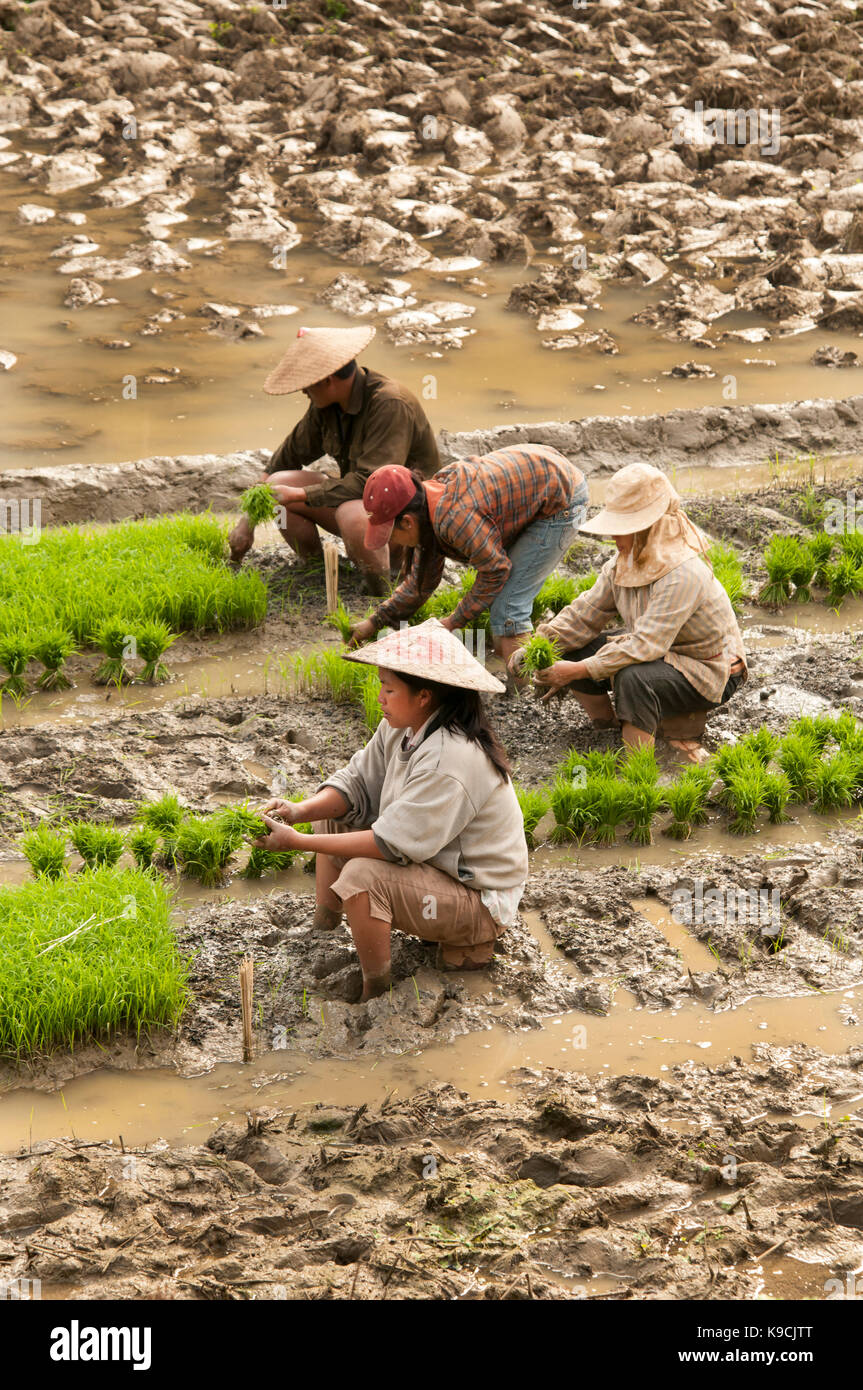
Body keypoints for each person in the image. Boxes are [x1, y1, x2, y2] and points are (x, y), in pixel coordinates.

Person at [255, 619, 528, 1003]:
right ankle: (324, 928)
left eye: (389, 689)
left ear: (424, 696)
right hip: (434, 868)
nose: (380, 697)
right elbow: (356, 783)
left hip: (476, 898)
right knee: (332, 815)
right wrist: (299, 811)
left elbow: (391, 845)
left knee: (362, 877)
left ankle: (375, 992)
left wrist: (295, 842)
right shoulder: (404, 726)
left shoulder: (451, 757)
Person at [512, 462, 747, 763]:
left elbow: (646, 645)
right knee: (574, 647)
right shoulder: (622, 564)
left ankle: (638, 766)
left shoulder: (683, 573)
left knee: (634, 677)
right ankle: (607, 727)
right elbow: (584, 614)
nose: (613, 538)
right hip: (661, 653)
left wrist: (577, 671)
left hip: (707, 669)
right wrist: (535, 647)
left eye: (622, 530)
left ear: (648, 528)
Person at [228, 325, 440, 594]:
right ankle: (315, 568)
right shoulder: (325, 407)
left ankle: (385, 584)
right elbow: (281, 462)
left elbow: (369, 484)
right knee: (276, 487)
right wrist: (246, 522)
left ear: (327, 380)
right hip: (365, 503)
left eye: (306, 385)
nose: (303, 392)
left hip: (408, 520)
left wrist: (298, 494)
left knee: (352, 515)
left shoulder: (390, 404)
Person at [346, 445, 589, 666]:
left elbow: (495, 570)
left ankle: (525, 694)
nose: (392, 542)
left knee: (508, 607)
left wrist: (454, 621)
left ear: (407, 522)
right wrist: (373, 623)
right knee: (501, 602)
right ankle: (516, 676)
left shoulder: (455, 518)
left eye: (390, 535)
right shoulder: (424, 506)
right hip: (535, 482)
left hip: (562, 500)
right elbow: (418, 585)